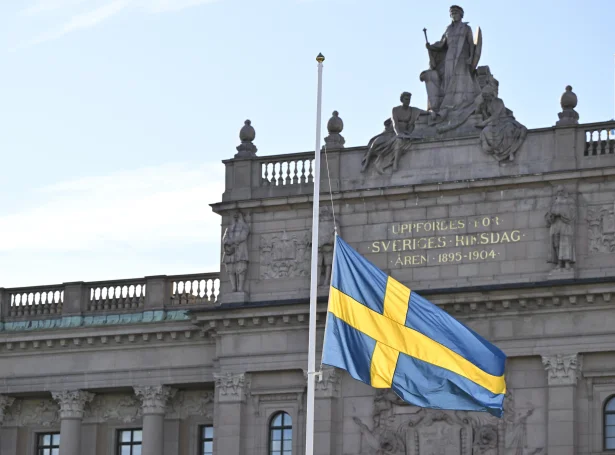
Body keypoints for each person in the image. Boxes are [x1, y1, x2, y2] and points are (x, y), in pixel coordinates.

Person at [422, 5, 480, 129]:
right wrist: (431, 46)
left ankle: (462, 102)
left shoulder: (466, 28)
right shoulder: (448, 29)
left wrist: (471, 56)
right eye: (452, 12)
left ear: (461, 14)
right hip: (449, 58)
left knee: (461, 80)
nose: (454, 14)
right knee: (449, 80)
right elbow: (442, 43)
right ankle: (449, 104)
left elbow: (471, 42)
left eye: (456, 12)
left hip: (462, 56)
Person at [222, 211, 250, 292]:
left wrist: (233, 241)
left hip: (240, 250)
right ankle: (234, 287)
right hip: (230, 251)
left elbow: (244, 236)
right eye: (234, 217)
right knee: (230, 269)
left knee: (241, 268)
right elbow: (224, 238)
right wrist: (228, 243)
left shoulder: (244, 227)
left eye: (238, 216)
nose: (236, 218)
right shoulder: (229, 228)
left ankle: (240, 288)